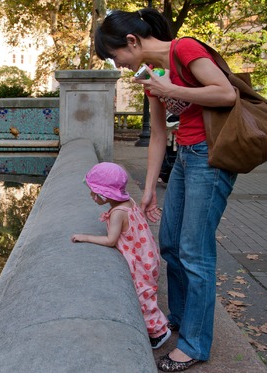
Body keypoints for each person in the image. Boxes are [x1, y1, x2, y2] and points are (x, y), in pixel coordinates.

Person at [94, 8, 237, 372]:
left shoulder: (184, 50)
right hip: (186, 157)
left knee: (195, 252)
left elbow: (227, 93)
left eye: (115, 56)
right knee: (171, 243)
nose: (118, 65)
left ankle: (194, 344)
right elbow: (159, 134)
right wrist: (149, 189)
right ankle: (180, 317)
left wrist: (169, 87)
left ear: (131, 41)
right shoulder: (151, 76)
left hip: (211, 156)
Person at [71, 162, 171, 350]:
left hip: (140, 261)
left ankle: (159, 332)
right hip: (147, 256)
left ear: (106, 193)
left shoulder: (118, 212)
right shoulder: (129, 202)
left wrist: (85, 237)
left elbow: (111, 240)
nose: (92, 196)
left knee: (143, 297)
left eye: (95, 192)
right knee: (146, 293)